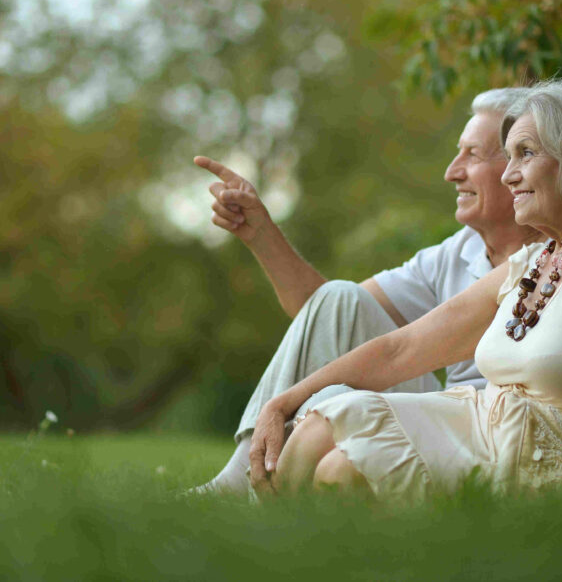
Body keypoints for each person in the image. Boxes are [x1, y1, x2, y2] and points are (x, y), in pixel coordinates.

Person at [249, 77, 562, 498]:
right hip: (485, 431)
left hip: (557, 469)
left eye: (525, 153)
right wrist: (283, 403)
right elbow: (401, 350)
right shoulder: (534, 261)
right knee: (316, 429)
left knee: (340, 472)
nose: (508, 175)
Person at [191, 88, 542, 495]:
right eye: (456, 152)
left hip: (499, 428)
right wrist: (261, 234)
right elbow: (326, 319)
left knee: (339, 392)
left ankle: (247, 488)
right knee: (341, 303)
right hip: (447, 409)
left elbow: (396, 352)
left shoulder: (559, 254)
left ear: (520, 164)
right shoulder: (457, 250)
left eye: (473, 155)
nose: (452, 171)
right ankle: (241, 477)